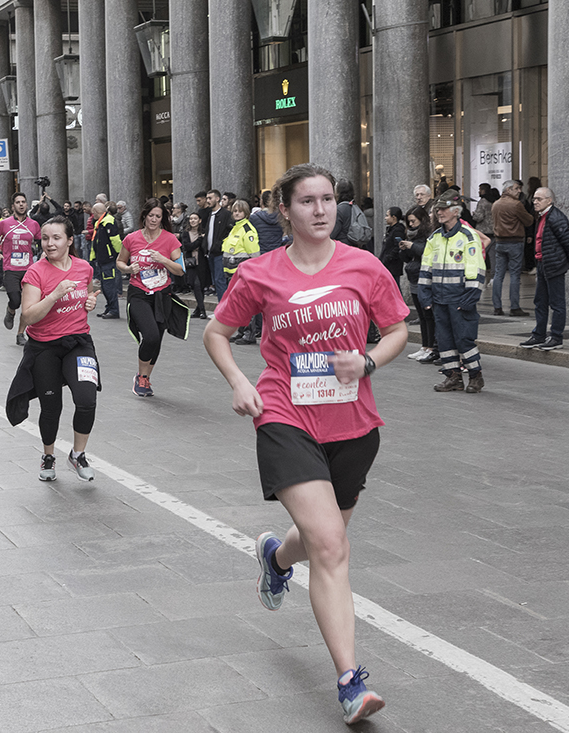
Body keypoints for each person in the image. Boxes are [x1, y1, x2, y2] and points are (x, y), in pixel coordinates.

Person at [203, 163, 407, 726]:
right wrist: (241, 383)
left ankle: (274, 556)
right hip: (284, 416)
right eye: (308, 201)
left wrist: (367, 360)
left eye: (328, 199)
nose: (321, 210)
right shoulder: (260, 273)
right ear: (284, 210)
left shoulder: (364, 267)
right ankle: (350, 681)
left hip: (354, 424)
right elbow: (215, 333)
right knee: (333, 547)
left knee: (322, 536)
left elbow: (397, 331)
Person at [5, 215, 101, 482]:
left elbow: (87, 294)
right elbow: (29, 316)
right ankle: (48, 455)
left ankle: (78, 454)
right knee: (51, 406)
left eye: (56, 238)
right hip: (44, 347)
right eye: (45, 238)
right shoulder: (35, 272)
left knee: (86, 399)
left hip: (78, 342)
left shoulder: (84, 268)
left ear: (70, 240)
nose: (49, 243)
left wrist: (89, 303)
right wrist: (55, 294)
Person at [116, 198, 186, 397]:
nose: (154, 219)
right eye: (151, 215)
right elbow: (120, 261)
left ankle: (144, 379)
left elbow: (180, 270)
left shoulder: (170, 239)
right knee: (151, 335)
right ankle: (141, 376)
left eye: (158, 216)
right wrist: (129, 268)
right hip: (138, 292)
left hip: (162, 295)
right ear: (144, 216)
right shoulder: (132, 238)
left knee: (157, 339)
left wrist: (163, 259)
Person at [419, 190, 486, 392]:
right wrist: (425, 295)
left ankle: (475, 376)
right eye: (437, 209)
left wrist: (470, 297)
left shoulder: (468, 237)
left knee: (463, 339)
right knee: (445, 340)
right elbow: (426, 269)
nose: (439, 212)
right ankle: (453, 377)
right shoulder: (435, 238)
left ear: (456, 211)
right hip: (439, 300)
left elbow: (476, 270)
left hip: (459, 299)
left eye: (444, 208)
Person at [518, 188, 569, 351]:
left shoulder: (556, 217)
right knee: (540, 301)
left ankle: (556, 336)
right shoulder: (542, 216)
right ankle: (539, 335)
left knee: (556, 303)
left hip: (554, 264)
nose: (535, 202)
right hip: (543, 263)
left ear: (549, 200)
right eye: (534, 199)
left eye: (539, 199)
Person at [0, 192, 42, 346]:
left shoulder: (34, 224)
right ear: (13, 206)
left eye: (23, 202)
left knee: (28, 305)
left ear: (26, 205)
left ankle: (21, 334)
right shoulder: (4, 224)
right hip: (10, 268)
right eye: (18, 202)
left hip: (29, 269)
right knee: (15, 299)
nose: (21, 204)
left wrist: (43, 256)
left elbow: (41, 243)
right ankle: (11, 310)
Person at [490, 180, 533, 316]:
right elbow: (528, 220)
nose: (519, 191)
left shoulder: (496, 204)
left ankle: (497, 306)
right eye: (516, 188)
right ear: (508, 190)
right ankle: (514, 307)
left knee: (498, 274)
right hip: (515, 242)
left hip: (499, 242)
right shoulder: (516, 204)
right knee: (515, 275)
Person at [222, 200, 261, 344]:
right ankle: (241, 331)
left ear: (246, 212)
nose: (236, 213)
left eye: (239, 211)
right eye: (234, 211)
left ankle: (249, 334)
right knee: (237, 304)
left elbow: (254, 254)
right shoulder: (235, 228)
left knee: (245, 304)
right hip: (232, 272)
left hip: (243, 273)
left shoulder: (247, 229)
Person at [400, 207, 436, 362]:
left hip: (425, 278)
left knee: (428, 315)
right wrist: (403, 249)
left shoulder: (429, 234)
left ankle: (431, 347)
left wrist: (412, 246)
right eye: (409, 221)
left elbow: (427, 252)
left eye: (413, 221)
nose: (411, 224)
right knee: (422, 316)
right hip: (414, 277)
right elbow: (408, 258)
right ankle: (425, 346)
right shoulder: (411, 234)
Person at [88, 202, 122, 319]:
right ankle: (109, 308)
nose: (92, 215)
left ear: (98, 212)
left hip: (109, 260)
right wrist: (93, 257)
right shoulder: (99, 222)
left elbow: (115, 240)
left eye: (93, 213)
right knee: (105, 286)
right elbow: (95, 242)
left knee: (109, 286)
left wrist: (119, 255)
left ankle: (114, 310)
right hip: (102, 260)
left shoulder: (108, 222)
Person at [204, 189, 233, 300]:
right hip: (210, 252)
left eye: (210, 198)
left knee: (220, 280)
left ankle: (223, 310)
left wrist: (221, 244)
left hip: (220, 252)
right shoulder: (210, 214)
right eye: (207, 198)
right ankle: (221, 308)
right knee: (216, 281)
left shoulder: (225, 214)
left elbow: (229, 230)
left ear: (217, 199)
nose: (208, 201)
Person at [179, 211, 208, 319]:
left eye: (195, 219)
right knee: (195, 285)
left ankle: (197, 310)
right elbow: (188, 246)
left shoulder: (204, 231)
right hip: (191, 262)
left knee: (200, 286)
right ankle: (202, 310)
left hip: (202, 262)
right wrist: (200, 240)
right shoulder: (186, 233)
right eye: (191, 219)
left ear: (200, 220)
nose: (192, 221)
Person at [380, 206, 405, 289]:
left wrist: (388, 258)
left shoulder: (398, 230)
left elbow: (397, 247)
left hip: (393, 266)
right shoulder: (390, 230)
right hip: (387, 264)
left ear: (394, 217)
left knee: (394, 287)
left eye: (387, 215)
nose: (385, 218)